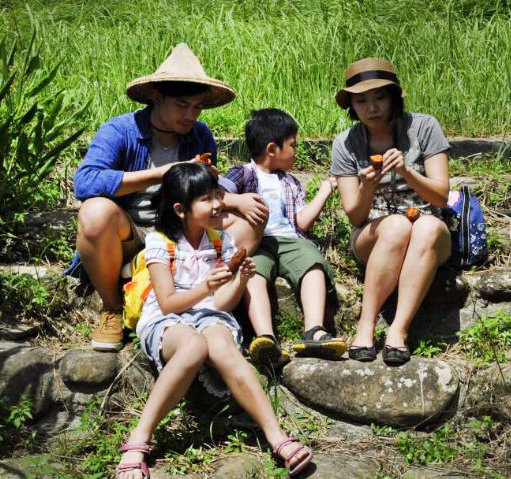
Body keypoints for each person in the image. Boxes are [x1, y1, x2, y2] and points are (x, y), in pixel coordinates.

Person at [115, 163, 312, 479]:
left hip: (210, 313)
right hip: (167, 317)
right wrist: (205, 286)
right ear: (181, 209)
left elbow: (222, 304)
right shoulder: (159, 242)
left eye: (217, 194)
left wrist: (239, 281)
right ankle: (140, 437)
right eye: (207, 198)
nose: (219, 203)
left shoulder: (222, 241)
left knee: (222, 347)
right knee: (192, 347)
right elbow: (167, 302)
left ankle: (275, 435)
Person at [70, 44, 263, 352]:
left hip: (180, 232)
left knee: (250, 223)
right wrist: (163, 172)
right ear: (157, 98)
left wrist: (231, 199)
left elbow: (203, 193)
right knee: (95, 212)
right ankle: (111, 308)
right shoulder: (120, 130)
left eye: (197, 107)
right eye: (182, 105)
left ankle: (209, 299)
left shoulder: (200, 135)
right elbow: (86, 181)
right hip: (129, 232)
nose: (191, 115)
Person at [330, 58, 451, 366]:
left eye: (380, 97)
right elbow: (355, 217)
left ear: (395, 97)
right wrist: (367, 188)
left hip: (428, 229)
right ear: (352, 106)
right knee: (396, 225)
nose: (372, 108)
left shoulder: (424, 127)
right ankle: (365, 326)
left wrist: (408, 172)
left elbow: (439, 197)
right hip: (374, 234)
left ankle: (398, 331)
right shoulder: (346, 143)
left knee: (426, 226)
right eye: (362, 101)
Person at [219, 108, 347, 365]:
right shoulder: (243, 173)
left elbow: (302, 222)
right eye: (292, 145)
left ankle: (314, 329)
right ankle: (265, 337)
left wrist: (323, 192)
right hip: (256, 239)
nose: (296, 151)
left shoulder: (292, 182)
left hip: (289, 239)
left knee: (311, 263)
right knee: (252, 272)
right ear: (272, 148)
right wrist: (239, 201)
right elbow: (214, 195)